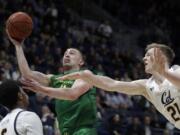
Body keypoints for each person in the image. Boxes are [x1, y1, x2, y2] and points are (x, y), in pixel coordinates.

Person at [60, 43, 180, 129]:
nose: (144, 58)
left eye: (148, 55)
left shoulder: (177, 70)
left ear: (161, 57)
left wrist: (164, 72)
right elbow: (112, 84)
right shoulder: (147, 86)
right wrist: (88, 76)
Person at [6, 30, 97, 135]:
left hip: (83, 131)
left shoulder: (86, 75)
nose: (67, 55)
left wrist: (40, 88)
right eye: (65, 54)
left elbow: (72, 94)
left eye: (72, 53)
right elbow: (27, 74)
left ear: (81, 62)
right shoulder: (55, 79)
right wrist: (18, 46)